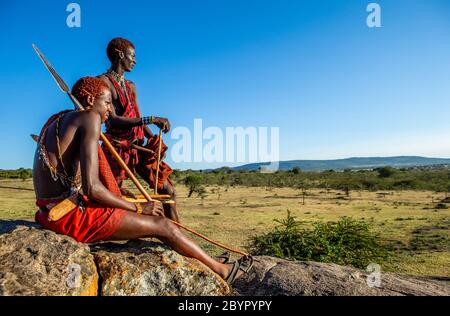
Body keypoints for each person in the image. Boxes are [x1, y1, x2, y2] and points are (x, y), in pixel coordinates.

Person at [33, 76, 252, 284]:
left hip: (51, 212)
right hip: (70, 218)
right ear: (91, 100)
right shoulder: (89, 118)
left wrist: (129, 203)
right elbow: (93, 189)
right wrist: (137, 209)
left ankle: (202, 259)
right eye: (107, 102)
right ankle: (222, 270)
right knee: (162, 224)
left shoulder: (56, 120)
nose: (109, 110)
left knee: (134, 203)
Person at [98, 38, 180, 223]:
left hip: (138, 147)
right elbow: (113, 119)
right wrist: (152, 119)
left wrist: (153, 143)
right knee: (115, 193)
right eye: (132, 56)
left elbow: (138, 120)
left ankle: (177, 235)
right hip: (117, 148)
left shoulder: (131, 86)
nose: (134, 60)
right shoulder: (103, 83)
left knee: (168, 191)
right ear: (120, 54)